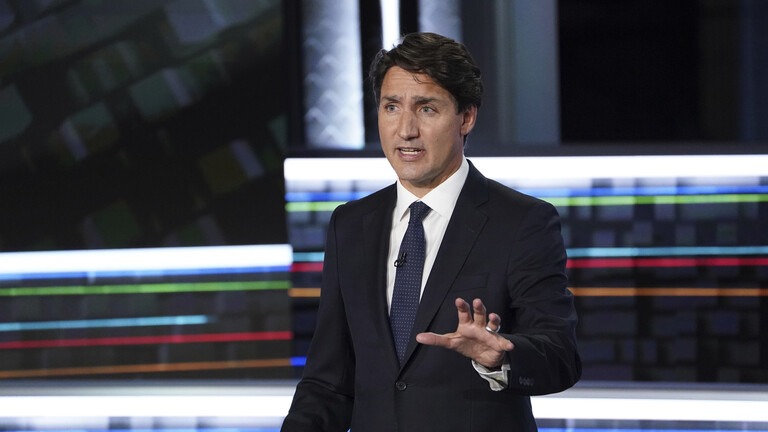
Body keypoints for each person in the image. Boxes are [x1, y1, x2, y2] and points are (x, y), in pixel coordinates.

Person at [281, 32, 581, 432]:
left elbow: (561, 356)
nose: (406, 130)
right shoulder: (350, 224)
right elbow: (328, 381)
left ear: (466, 117)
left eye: (426, 109)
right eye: (391, 107)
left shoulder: (522, 221)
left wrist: (500, 356)